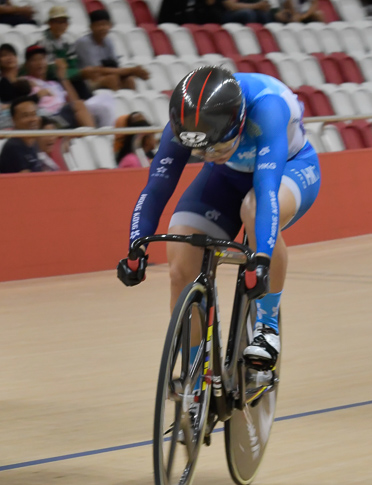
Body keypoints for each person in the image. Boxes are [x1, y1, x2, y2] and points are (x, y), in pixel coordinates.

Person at [120, 67, 322, 372]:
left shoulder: (267, 108)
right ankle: (194, 371)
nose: (209, 154)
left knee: (253, 209)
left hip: (288, 169)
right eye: (200, 150)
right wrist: (136, 246)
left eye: (218, 146)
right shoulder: (186, 122)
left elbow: (267, 189)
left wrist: (262, 260)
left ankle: (267, 328)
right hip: (226, 177)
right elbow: (157, 187)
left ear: (239, 123)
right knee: (180, 262)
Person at [73, 9, 149, 91]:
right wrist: (131, 70)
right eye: (98, 25)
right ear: (91, 27)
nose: (102, 28)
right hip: (86, 80)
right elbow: (97, 70)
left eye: (105, 24)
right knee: (112, 79)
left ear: (110, 25)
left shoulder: (108, 41)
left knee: (129, 80)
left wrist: (130, 72)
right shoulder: (84, 42)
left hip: (104, 76)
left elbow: (114, 65)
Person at [0, 95, 51, 173]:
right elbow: (26, 181)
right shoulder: (13, 147)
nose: (32, 119)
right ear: (14, 120)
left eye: (34, 114)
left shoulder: (33, 143)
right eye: (26, 116)